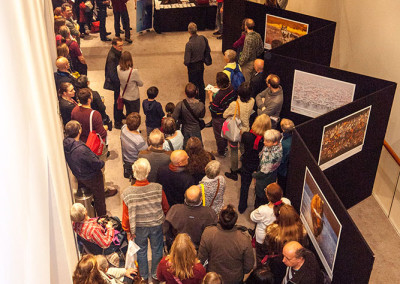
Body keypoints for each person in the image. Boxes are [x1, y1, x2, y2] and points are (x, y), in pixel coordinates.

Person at [122, 158, 165, 283]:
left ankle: (144, 277)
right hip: (156, 223)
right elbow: (165, 206)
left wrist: (127, 231)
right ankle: (156, 275)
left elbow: (126, 215)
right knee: (157, 249)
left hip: (138, 227)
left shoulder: (128, 193)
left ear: (134, 173)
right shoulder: (157, 188)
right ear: (148, 172)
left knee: (141, 250)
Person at [198, 205, 254, 283]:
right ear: (235, 220)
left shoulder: (208, 233)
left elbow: (201, 258)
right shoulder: (244, 239)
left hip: (213, 279)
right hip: (235, 279)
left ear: (219, 218)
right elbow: (249, 266)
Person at [64, 122, 107, 215]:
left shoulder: (66, 144)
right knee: (99, 199)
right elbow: (96, 163)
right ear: (79, 131)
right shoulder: (81, 149)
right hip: (92, 177)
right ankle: (102, 218)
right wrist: (102, 162)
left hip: (79, 175)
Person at [263, 205, 308, 283]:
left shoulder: (272, 231)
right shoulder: (302, 231)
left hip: (277, 261)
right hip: (294, 261)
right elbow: (304, 246)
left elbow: (266, 247)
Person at [238, 114, 271, 213]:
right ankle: (257, 208)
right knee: (259, 187)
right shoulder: (267, 141)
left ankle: (242, 206)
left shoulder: (246, 135)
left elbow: (242, 147)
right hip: (260, 165)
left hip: (247, 163)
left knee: (244, 185)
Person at [250, 182, 290, 264]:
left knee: (261, 257)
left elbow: (252, 217)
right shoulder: (286, 202)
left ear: (268, 196)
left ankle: (261, 270)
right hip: (278, 236)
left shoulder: (263, 210)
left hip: (263, 239)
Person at [223, 82, 255, 180]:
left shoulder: (234, 104)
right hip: (246, 131)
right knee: (243, 149)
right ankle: (244, 168)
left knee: (233, 150)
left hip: (236, 131)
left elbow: (225, 114)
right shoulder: (252, 101)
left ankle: (234, 171)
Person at [208, 72, 237, 158]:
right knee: (226, 132)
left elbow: (212, 109)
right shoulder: (231, 88)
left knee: (219, 135)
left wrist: (210, 97)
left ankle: (221, 152)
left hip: (219, 117)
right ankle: (225, 147)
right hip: (229, 114)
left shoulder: (219, 96)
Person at [253, 129, 283, 208]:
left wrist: (254, 175)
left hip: (265, 180)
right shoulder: (276, 145)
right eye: (265, 140)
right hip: (269, 174)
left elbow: (263, 173)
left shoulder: (272, 157)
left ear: (275, 143)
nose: (264, 142)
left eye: (267, 141)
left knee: (260, 199)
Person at [184, 22, 211, 104]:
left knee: (193, 85)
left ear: (189, 31)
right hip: (201, 65)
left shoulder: (189, 44)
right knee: (201, 82)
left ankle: (194, 101)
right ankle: (202, 101)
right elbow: (208, 50)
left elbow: (187, 61)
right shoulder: (203, 38)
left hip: (192, 67)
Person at [104, 37, 124, 129]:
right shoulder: (112, 57)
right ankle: (117, 122)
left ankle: (120, 114)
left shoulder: (116, 53)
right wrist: (119, 84)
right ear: (114, 45)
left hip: (118, 82)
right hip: (116, 84)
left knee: (119, 101)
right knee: (117, 101)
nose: (122, 47)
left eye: (122, 45)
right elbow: (112, 74)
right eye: (120, 46)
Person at [120, 112, 148, 177]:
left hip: (126, 159)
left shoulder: (123, 128)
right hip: (135, 163)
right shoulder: (140, 140)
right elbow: (145, 154)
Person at [118, 51, 143, 116]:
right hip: (133, 97)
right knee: (135, 116)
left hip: (124, 96)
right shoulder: (133, 72)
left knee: (128, 112)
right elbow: (141, 84)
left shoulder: (118, 68)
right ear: (129, 60)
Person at [277, 119, 295, 193]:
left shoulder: (285, 145)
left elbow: (282, 159)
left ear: (282, 128)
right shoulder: (293, 137)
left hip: (282, 170)